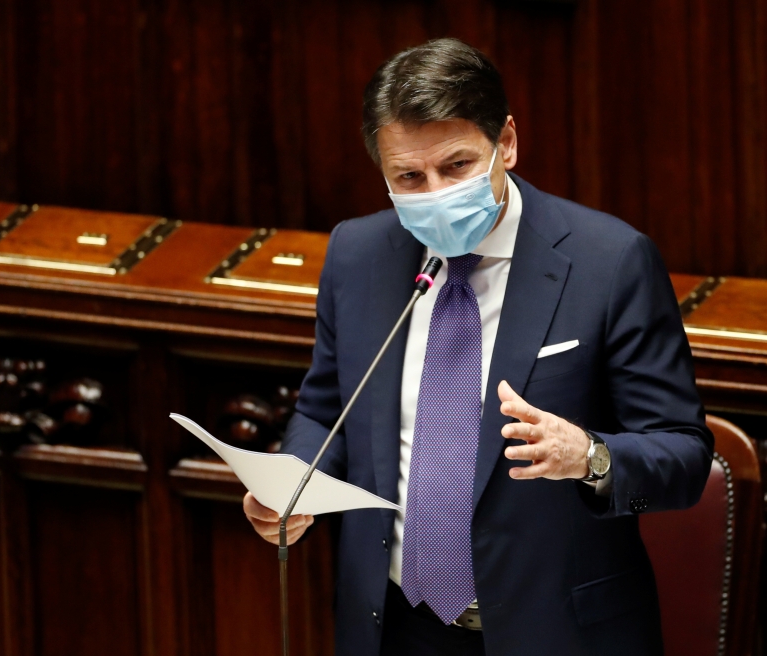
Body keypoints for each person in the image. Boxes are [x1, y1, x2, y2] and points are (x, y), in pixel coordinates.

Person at [243, 38, 712, 656]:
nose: (434, 191)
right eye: (409, 176)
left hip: (554, 632)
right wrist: (295, 479)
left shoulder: (610, 262)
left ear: (507, 143)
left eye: (458, 166)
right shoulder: (357, 256)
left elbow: (683, 457)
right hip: (394, 626)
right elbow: (325, 408)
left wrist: (590, 455)